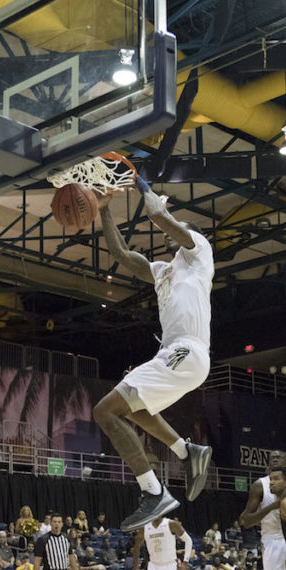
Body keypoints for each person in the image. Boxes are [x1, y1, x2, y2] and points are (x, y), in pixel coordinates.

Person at [92, 183, 214, 530]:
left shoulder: (199, 252)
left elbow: (159, 216)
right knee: (137, 410)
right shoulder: (163, 270)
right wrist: (103, 208)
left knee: (105, 411)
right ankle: (185, 451)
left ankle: (153, 490)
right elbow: (122, 254)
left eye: (181, 230)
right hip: (179, 354)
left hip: (186, 349)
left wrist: (153, 199)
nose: (174, 235)